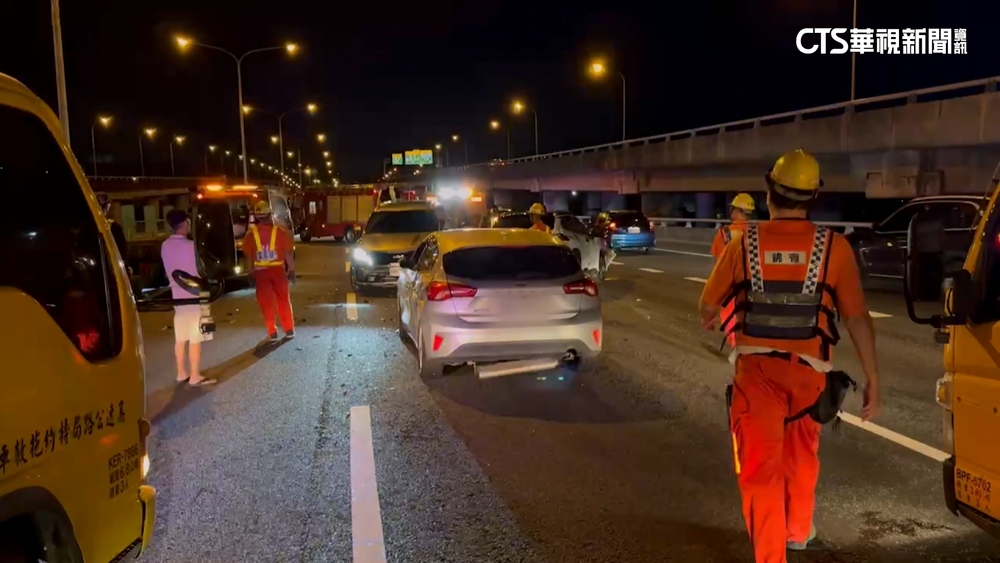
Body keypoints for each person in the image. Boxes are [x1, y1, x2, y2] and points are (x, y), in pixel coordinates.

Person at [698, 149, 879, 563]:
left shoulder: (743, 244)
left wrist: (716, 318)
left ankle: (771, 556)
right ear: (813, 196)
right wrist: (873, 379)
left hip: (758, 374)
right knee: (801, 456)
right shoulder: (833, 248)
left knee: (761, 471)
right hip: (811, 377)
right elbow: (857, 317)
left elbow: (707, 307)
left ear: (768, 191)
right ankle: (797, 531)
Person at [161, 209, 215, 387]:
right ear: (185, 223)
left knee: (180, 338)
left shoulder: (165, 246)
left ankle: (181, 373)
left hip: (177, 298)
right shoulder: (192, 247)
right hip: (194, 298)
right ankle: (194, 376)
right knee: (195, 338)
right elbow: (201, 270)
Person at [243, 201, 296, 341]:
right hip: (278, 270)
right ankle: (289, 329)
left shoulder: (250, 235)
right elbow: (288, 253)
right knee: (283, 300)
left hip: (261, 273)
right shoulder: (279, 232)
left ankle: (272, 332)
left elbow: (248, 257)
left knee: (266, 303)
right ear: (269, 216)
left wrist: (250, 273)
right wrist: (291, 270)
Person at [711, 193, 756, 348]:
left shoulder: (725, 233)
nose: (730, 210)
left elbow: (718, 264)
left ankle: (737, 347)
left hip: (731, 285)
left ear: (738, 210)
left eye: (732, 208)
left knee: (729, 316)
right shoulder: (757, 233)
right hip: (753, 284)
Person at [96, 193, 129, 272]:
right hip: (111, 268)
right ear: (107, 207)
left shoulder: (87, 228)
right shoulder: (114, 227)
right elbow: (123, 251)